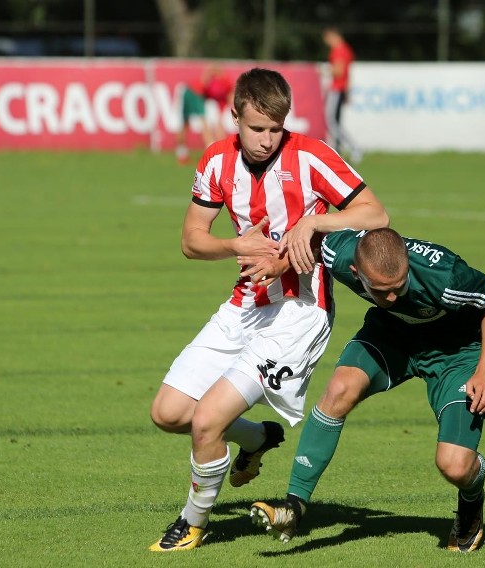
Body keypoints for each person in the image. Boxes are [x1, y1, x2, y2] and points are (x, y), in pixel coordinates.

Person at [148, 68, 389, 552]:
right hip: (245, 305)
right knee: (169, 412)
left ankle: (193, 522)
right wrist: (233, 244)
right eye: (257, 128)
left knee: (207, 422)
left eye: (275, 129)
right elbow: (191, 241)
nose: (266, 140)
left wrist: (314, 223)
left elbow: (375, 214)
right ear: (235, 116)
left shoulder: (312, 156)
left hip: (299, 314)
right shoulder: (216, 160)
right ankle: (257, 438)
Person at [245, 227, 485, 553]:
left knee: (454, 465)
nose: (393, 298)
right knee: (340, 388)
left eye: (399, 287)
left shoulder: (445, 274)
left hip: (455, 354)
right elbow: (311, 246)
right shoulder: (341, 253)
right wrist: (280, 265)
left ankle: (472, 497)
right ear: (356, 272)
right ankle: (293, 507)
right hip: (393, 336)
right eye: (383, 292)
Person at [175, 65, 234, 164]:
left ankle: (182, 154)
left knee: (186, 123)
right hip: (196, 93)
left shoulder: (223, 98)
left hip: (189, 91)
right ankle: (212, 151)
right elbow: (209, 72)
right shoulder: (225, 85)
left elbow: (220, 125)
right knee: (203, 122)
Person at [321, 26, 362, 163]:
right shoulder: (346, 49)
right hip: (341, 90)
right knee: (335, 122)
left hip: (336, 89)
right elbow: (347, 74)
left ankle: (353, 147)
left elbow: (339, 71)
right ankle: (339, 151)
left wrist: (323, 71)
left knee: (332, 122)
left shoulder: (339, 50)